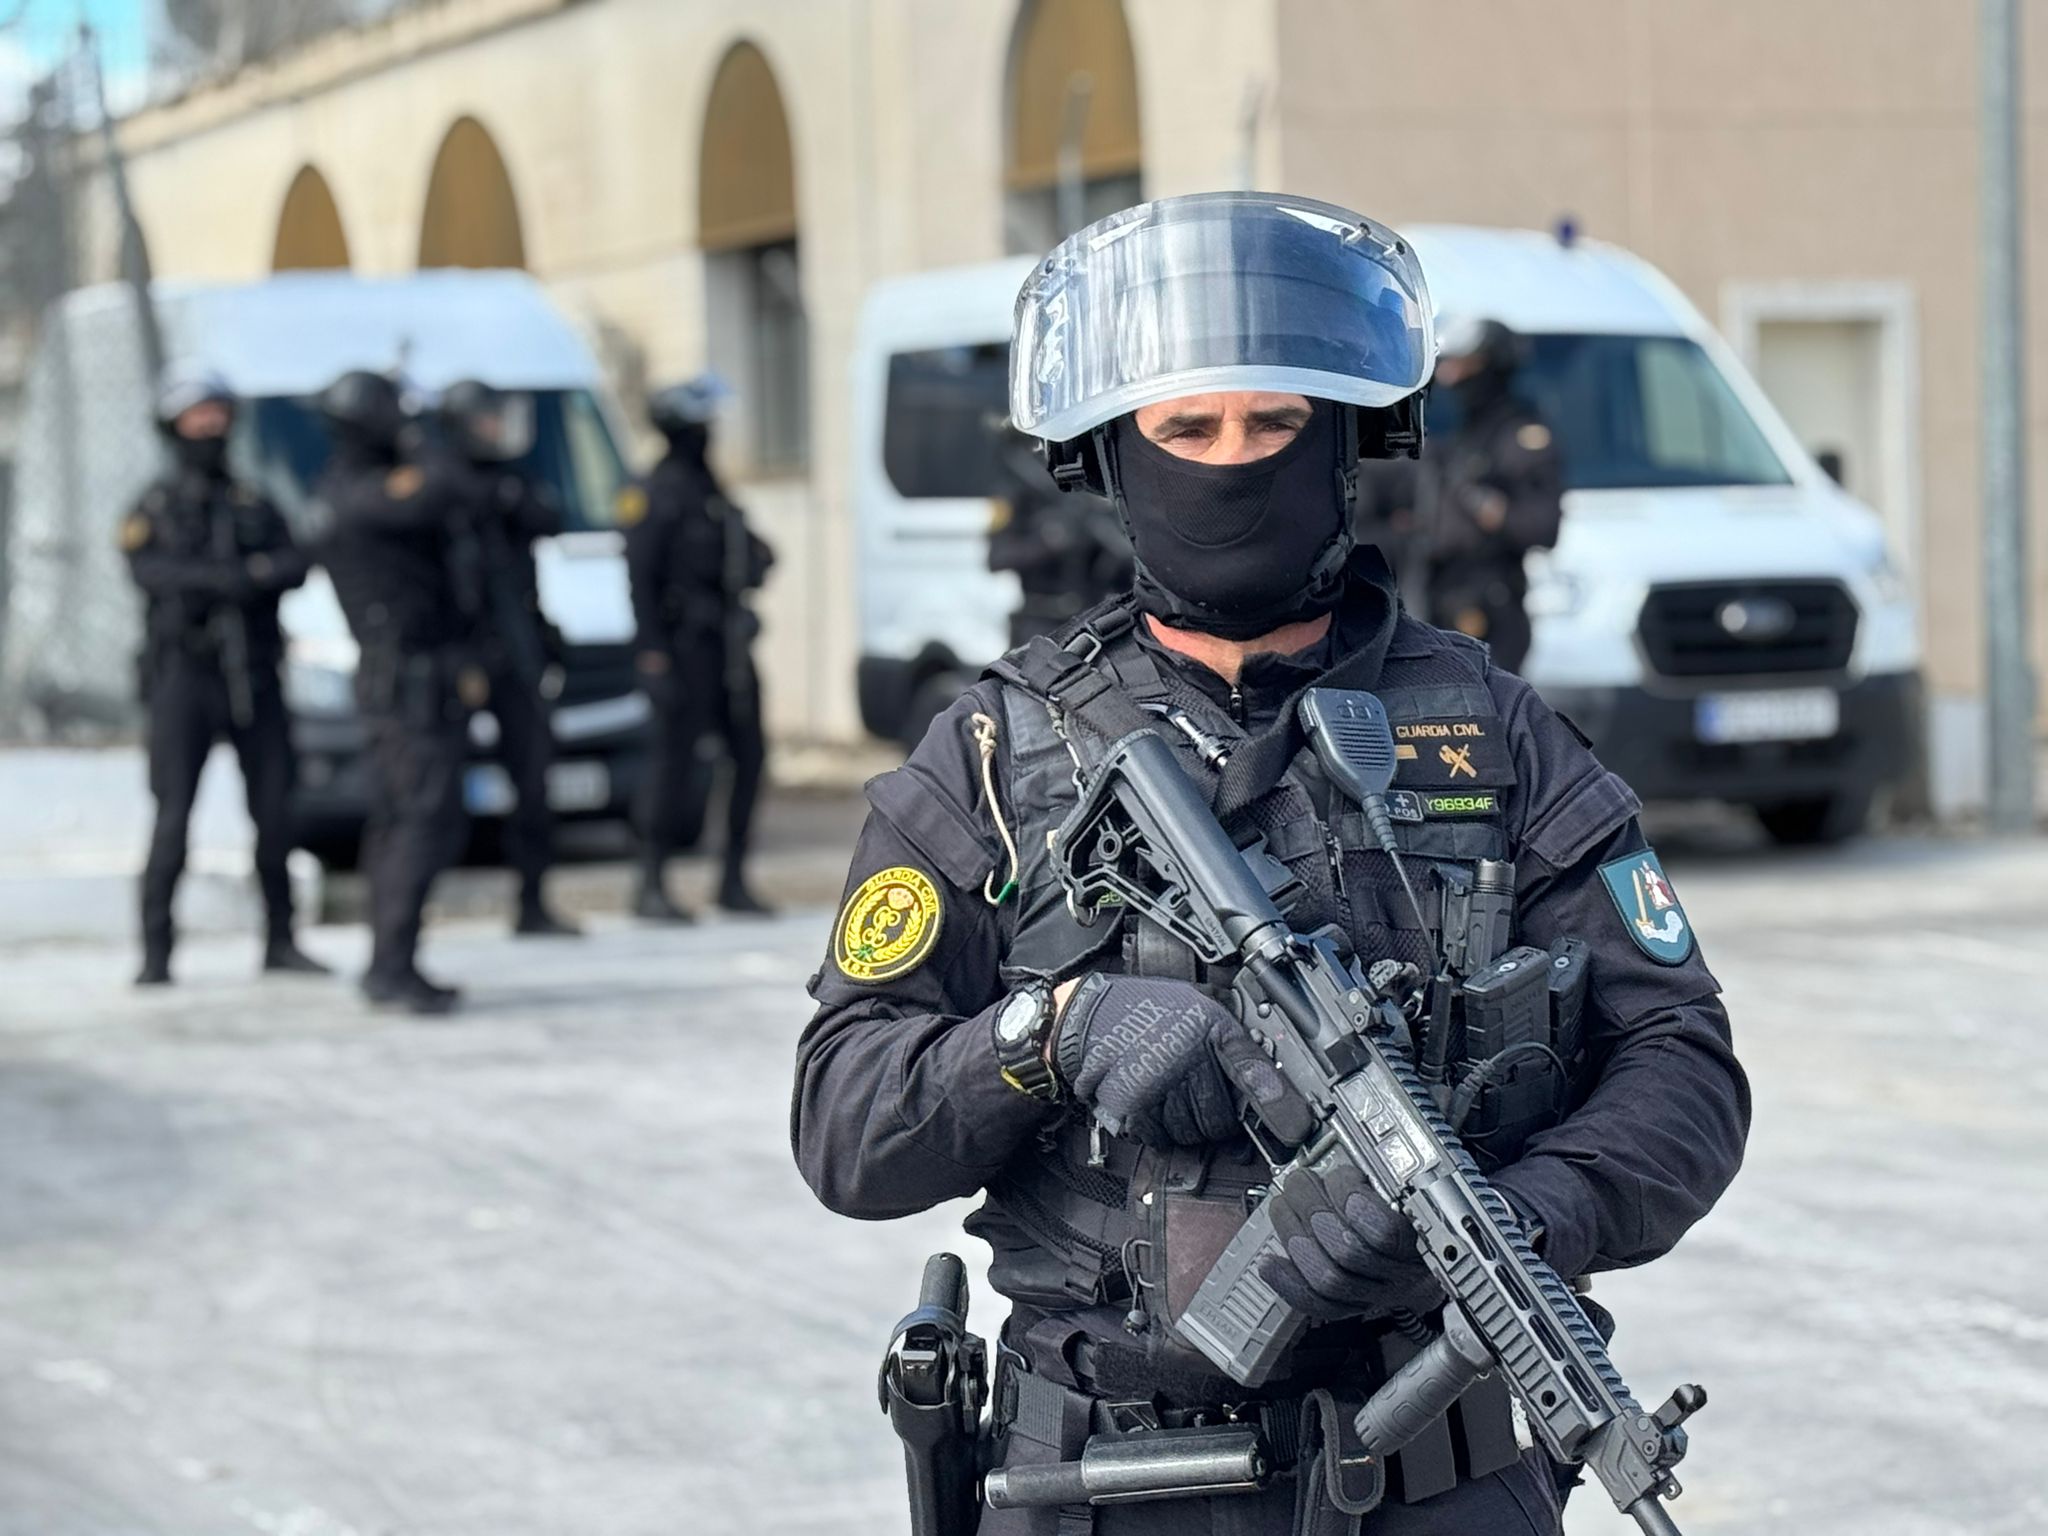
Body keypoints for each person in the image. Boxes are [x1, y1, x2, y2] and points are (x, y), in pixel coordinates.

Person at [791, 194, 1749, 1536]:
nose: (1231, 464)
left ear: (1348, 440)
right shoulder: (995, 758)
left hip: (1435, 1468)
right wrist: (1049, 1038)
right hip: (1103, 1480)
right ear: (1117, 459)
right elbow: (844, 1122)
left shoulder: (1494, 732)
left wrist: (1527, 1215)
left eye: (1273, 425)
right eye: (1189, 430)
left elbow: (1684, 1067)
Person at [122, 366, 328, 986]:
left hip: (254, 675)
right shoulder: (154, 506)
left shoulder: (254, 501)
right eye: (197, 416)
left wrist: (252, 576)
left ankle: (282, 940)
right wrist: (230, 579)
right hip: (184, 677)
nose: (210, 427)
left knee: (274, 811)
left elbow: (295, 560)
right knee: (172, 815)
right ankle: (156, 954)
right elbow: (152, 573)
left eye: (218, 414)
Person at [312, 370, 475, 1015]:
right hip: (404, 681)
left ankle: (392, 961)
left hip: (408, 677)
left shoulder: (352, 485)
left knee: (405, 820)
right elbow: (442, 490)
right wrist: (420, 436)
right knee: (417, 820)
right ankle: (391, 965)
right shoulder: (360, 491)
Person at [619, 374, 776, 921]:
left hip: (728, 647)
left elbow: (749, 554)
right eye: (701, 427)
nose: (709, 437)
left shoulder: (712, 491)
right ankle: (651, 881)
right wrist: (652, 654)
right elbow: (639, 579)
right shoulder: (656, 492)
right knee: (673, 767)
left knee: (750, 758)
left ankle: (733, 878)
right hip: (681, 651)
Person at [435, 380, 580, 938]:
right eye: (486, 420)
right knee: (433, 788)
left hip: (514, 651)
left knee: (534, 778)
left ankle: (533, 901)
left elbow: (549, 517)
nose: (497, 430)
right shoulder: (439, 483)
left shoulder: (508, 482)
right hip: (458, 653)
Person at [1359, 318, 1563, 673]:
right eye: (1446, 367)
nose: (1451, 377)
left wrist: (1479, 504)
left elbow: (1542, 525)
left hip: (1488, 608)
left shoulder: (1517, 438)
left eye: (1463, 366)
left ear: (1491, 368)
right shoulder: (1447, 434)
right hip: (1427, 595)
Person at [986, 422, 1133, 647]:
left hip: (1091, 621)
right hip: (1039, 624)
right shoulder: (1019, 493)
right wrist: (1049, 541)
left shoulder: (1088, 489)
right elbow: (997, 558)